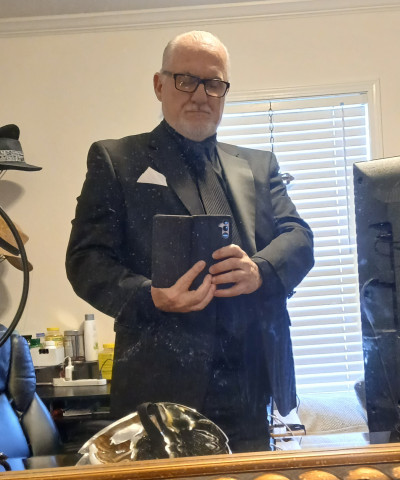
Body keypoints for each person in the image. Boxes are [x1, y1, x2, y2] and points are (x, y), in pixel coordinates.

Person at [66, 30, 314, 453]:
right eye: (186, 80)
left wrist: (259, 271)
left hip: (250, 385)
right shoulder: (116, 160)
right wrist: (150, 296)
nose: (200, 95)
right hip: (159, 392)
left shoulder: (259, 165)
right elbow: (86, 259)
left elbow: (299, 237)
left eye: (213, 83)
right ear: (160, 85)